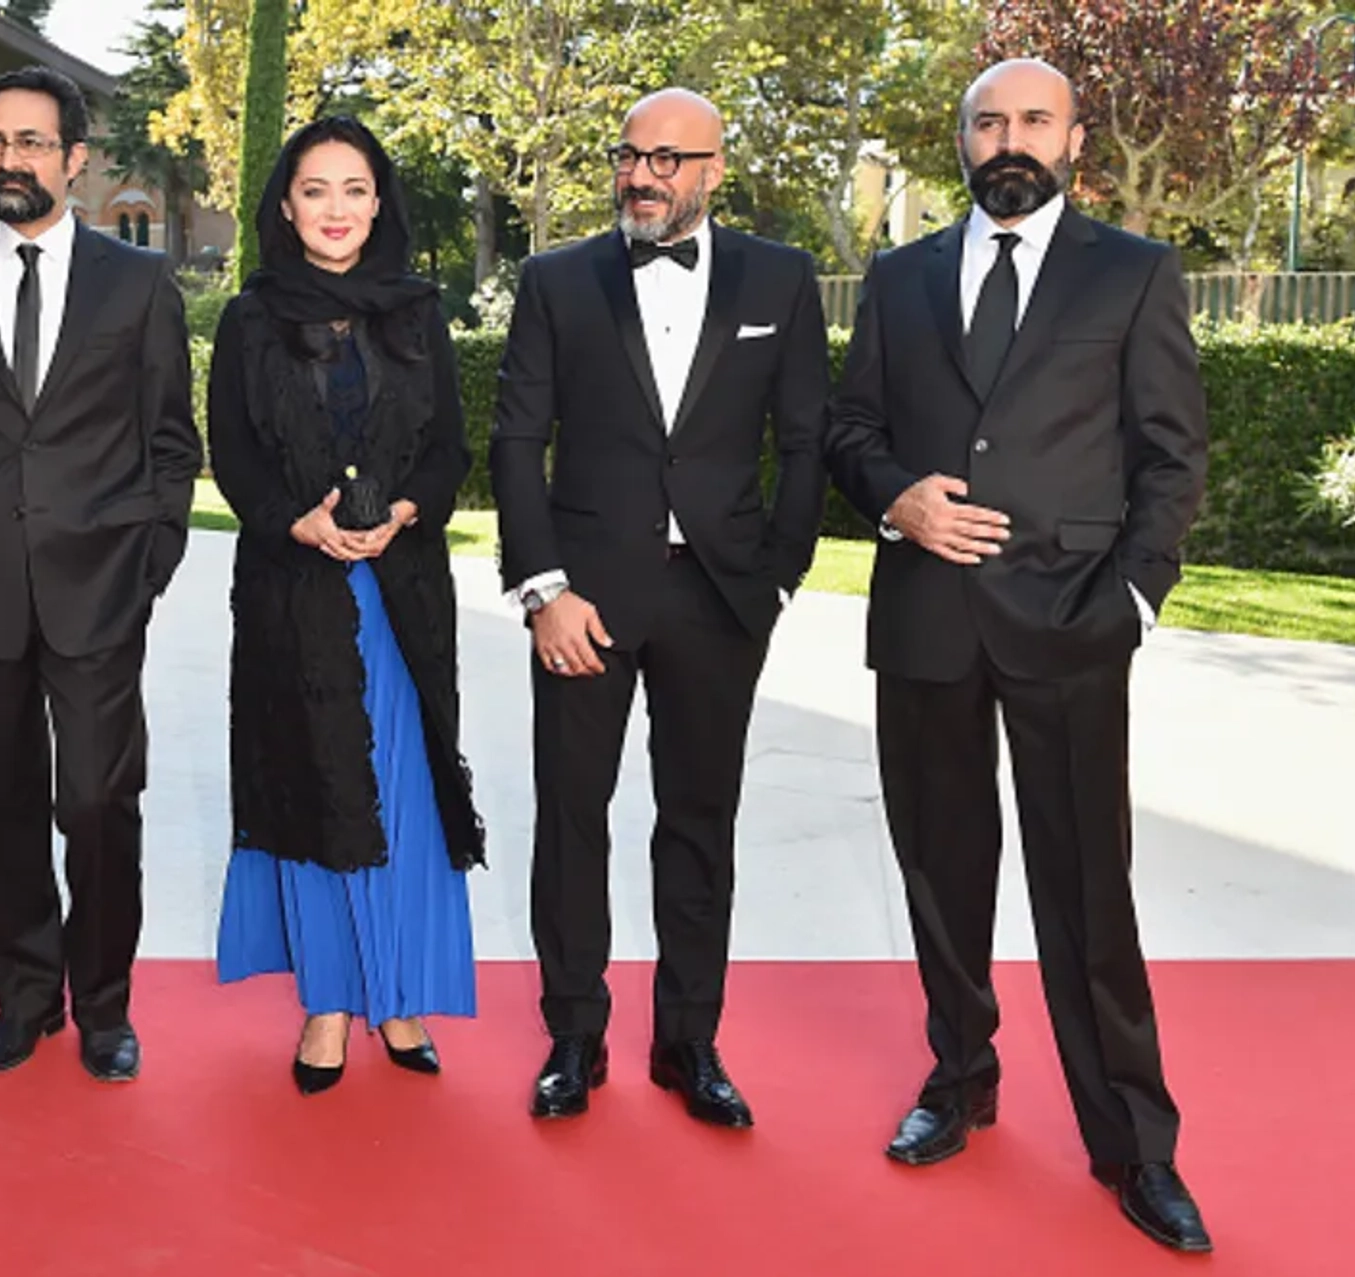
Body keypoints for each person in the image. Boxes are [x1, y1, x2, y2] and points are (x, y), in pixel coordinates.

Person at [824, 59, 1212, 1253]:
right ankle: (960, 1077)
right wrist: (899, 501)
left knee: (1090, 891)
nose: (1011, 138)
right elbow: (849, 431)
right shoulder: (896, 279)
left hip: (1074, 620)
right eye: (989, 120)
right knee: (942, 872)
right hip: (928, 621)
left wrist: (1133, 600)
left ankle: (1135, 1144)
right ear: (961, 140)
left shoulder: (1134, 273)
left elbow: (1172, 456)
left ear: (1074, 139)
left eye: (1034, 120)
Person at [489, 89, 830, 1127]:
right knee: (571, 820)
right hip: (583, 597)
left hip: (722, 597)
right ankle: (573, 1038)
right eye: (630, 156)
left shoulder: (782, 277)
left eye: (667, 159)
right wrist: (544, 589)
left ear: (714, 169)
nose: (642, 175)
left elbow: (807, 441)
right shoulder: (557, 279)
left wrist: (775, 578)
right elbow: (514, 440)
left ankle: (690, 1043)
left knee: (698, 823)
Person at [0, 66, 201, 1082]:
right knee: (7, 801)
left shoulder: (137, 282)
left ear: (74, 158)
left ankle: (105, 1005)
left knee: (102, 803)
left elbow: (170, 445)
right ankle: (25, 998)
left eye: (30, 142)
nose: (8, 159)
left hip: (101, 585)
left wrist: (145, 566)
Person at [210, 116, 486, 1095]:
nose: (335, 209)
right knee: (317, 786)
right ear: (285, 205)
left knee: (406, 794)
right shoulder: (250, 318)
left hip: (402, 595)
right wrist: (298, 522)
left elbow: (451, 446)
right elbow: (233, 455)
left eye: (354, 189)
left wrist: (409, 507)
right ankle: (328, 1002)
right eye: (315, 189)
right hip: (295, 598)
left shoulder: (417, 310)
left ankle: (402, 995)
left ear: (381, 203)